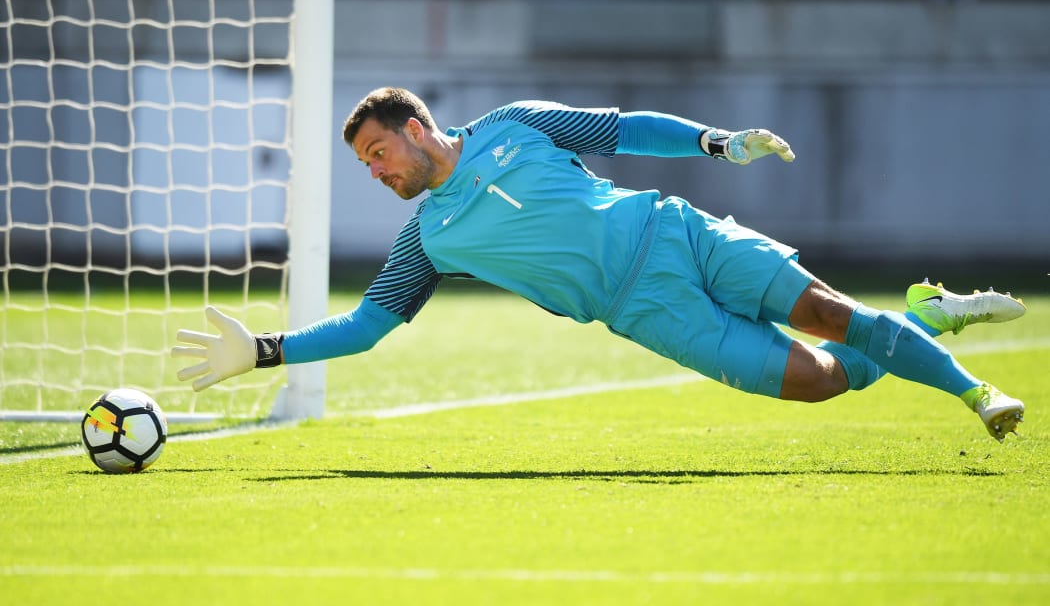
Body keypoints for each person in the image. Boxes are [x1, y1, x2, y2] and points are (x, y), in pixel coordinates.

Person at [172, 87, 1027, 440]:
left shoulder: (515, 123)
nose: (375, 171)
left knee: (832, 315)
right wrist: (265, 351)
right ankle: (929, 316)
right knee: (822, 381)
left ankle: (976, 394)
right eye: (365, 164)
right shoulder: (425, 240)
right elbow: (367, 328)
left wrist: (717, 143)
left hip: (678, 234)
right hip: (646, 313)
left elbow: (621, 129)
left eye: (375, 152)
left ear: (416, 128)